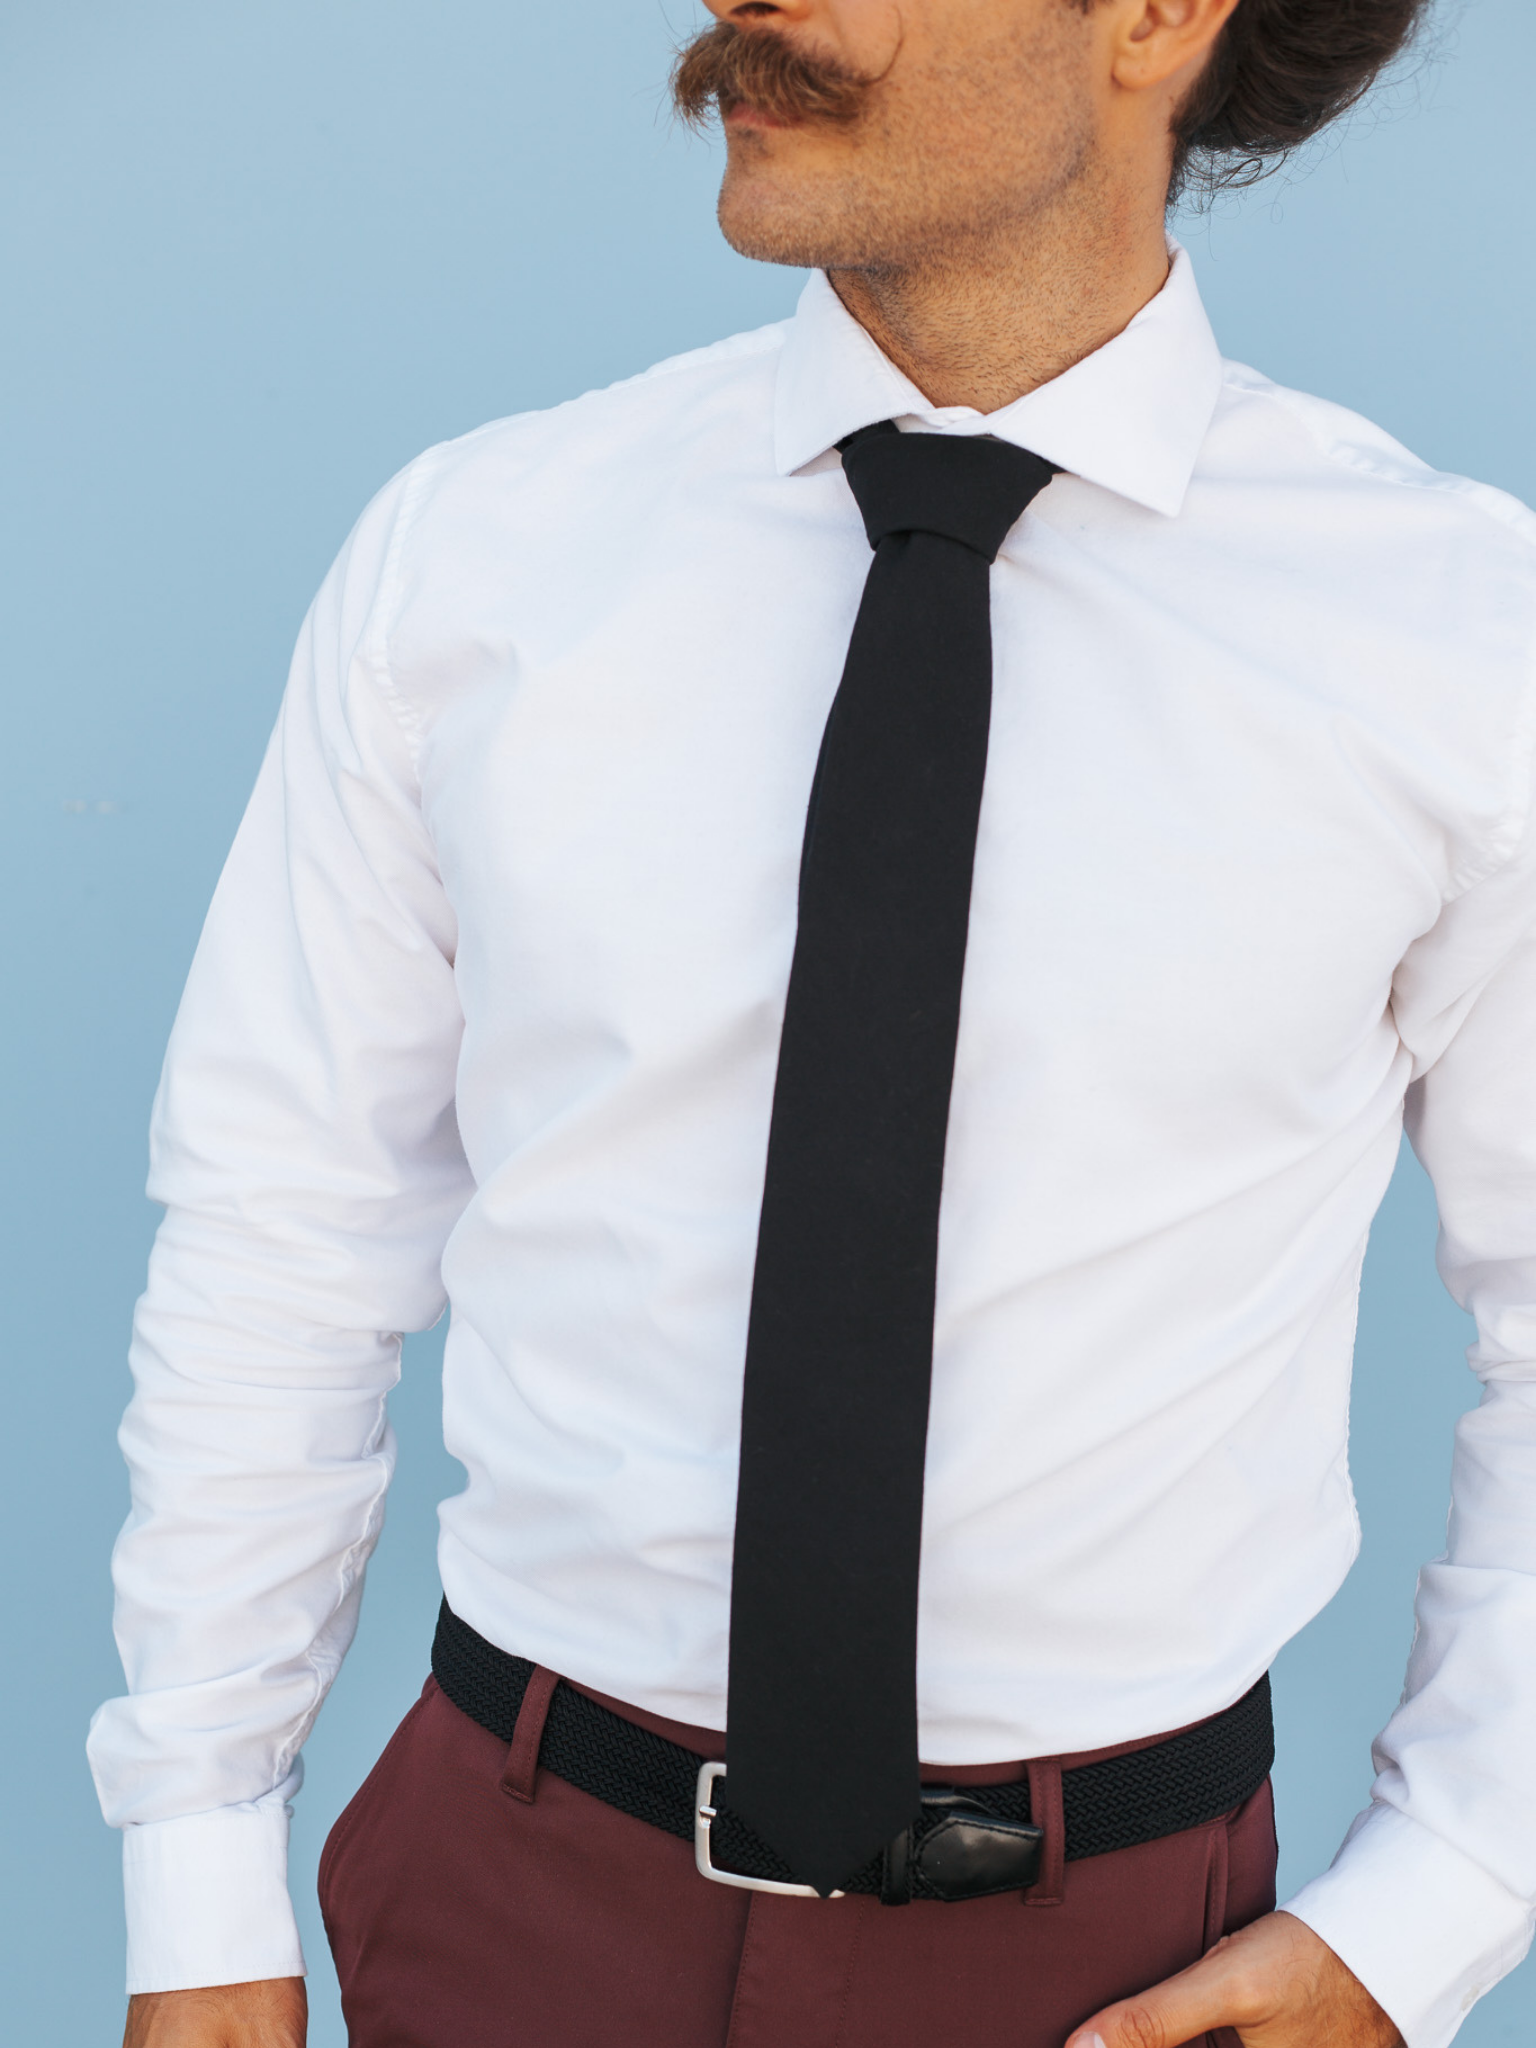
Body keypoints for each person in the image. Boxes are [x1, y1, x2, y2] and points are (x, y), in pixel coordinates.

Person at [92, 1, 1536, 2043]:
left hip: (1118, 1969)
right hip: (502, 1902)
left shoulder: (1462, 649)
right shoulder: (480, 561)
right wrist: (199, 1874)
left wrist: (1443, 1898)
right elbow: (284, 1226)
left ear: (1153, 16)